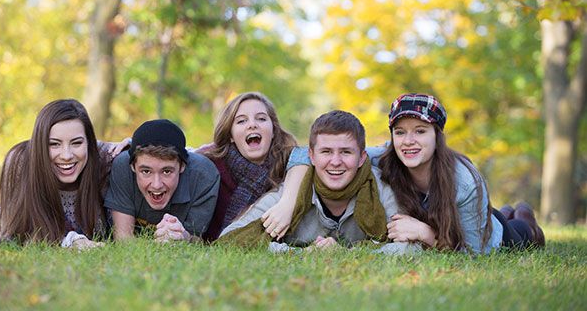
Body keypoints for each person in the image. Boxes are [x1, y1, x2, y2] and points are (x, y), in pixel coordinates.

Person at [284, 94, 545, 253]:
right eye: (400, 132)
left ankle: (525, 221)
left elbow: (474, 254)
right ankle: (512, 211)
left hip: (487, 234)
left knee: (519, 233)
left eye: (420, 131)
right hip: (449, 222)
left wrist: (425, 234)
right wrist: (287, 203)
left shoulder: (464, 181)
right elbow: (303, 154)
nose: (408, 141)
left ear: (437, 136)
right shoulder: (383, 156)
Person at [217, 110, 398, 251]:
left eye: (346, 152)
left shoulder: (380, 189)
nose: (335, 162)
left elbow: (410, 245)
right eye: (326, 152)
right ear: (311, 156)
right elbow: (229, 239)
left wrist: (351, 253)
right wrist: (297, 253)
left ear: (361, 158)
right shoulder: (291, 193)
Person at [0, 99, 126, 248]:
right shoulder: (20, 161)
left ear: (89, 142)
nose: (66, 155)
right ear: (40, 143)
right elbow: (9, 231)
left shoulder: (103, 157)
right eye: (54, 144)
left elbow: (147, 157)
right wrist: (70, 242)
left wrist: (135, 147)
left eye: (76, 143)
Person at [197, 92, 301, 241]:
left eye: (261, 118)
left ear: (273, 131)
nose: (252, 124)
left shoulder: (289, 164)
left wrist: (288, 203)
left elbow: (307, 156)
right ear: (231, 135)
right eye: (241, 121)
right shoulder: (211, 163)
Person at [105, 119, 220, 242]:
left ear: (182, 166)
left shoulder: (204, 176)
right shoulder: (123, 165)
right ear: (133, 166)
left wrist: (183, 237)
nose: (156, 185)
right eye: (146, 171)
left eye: (166, 171)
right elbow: (123, 238)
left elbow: (196, 241)